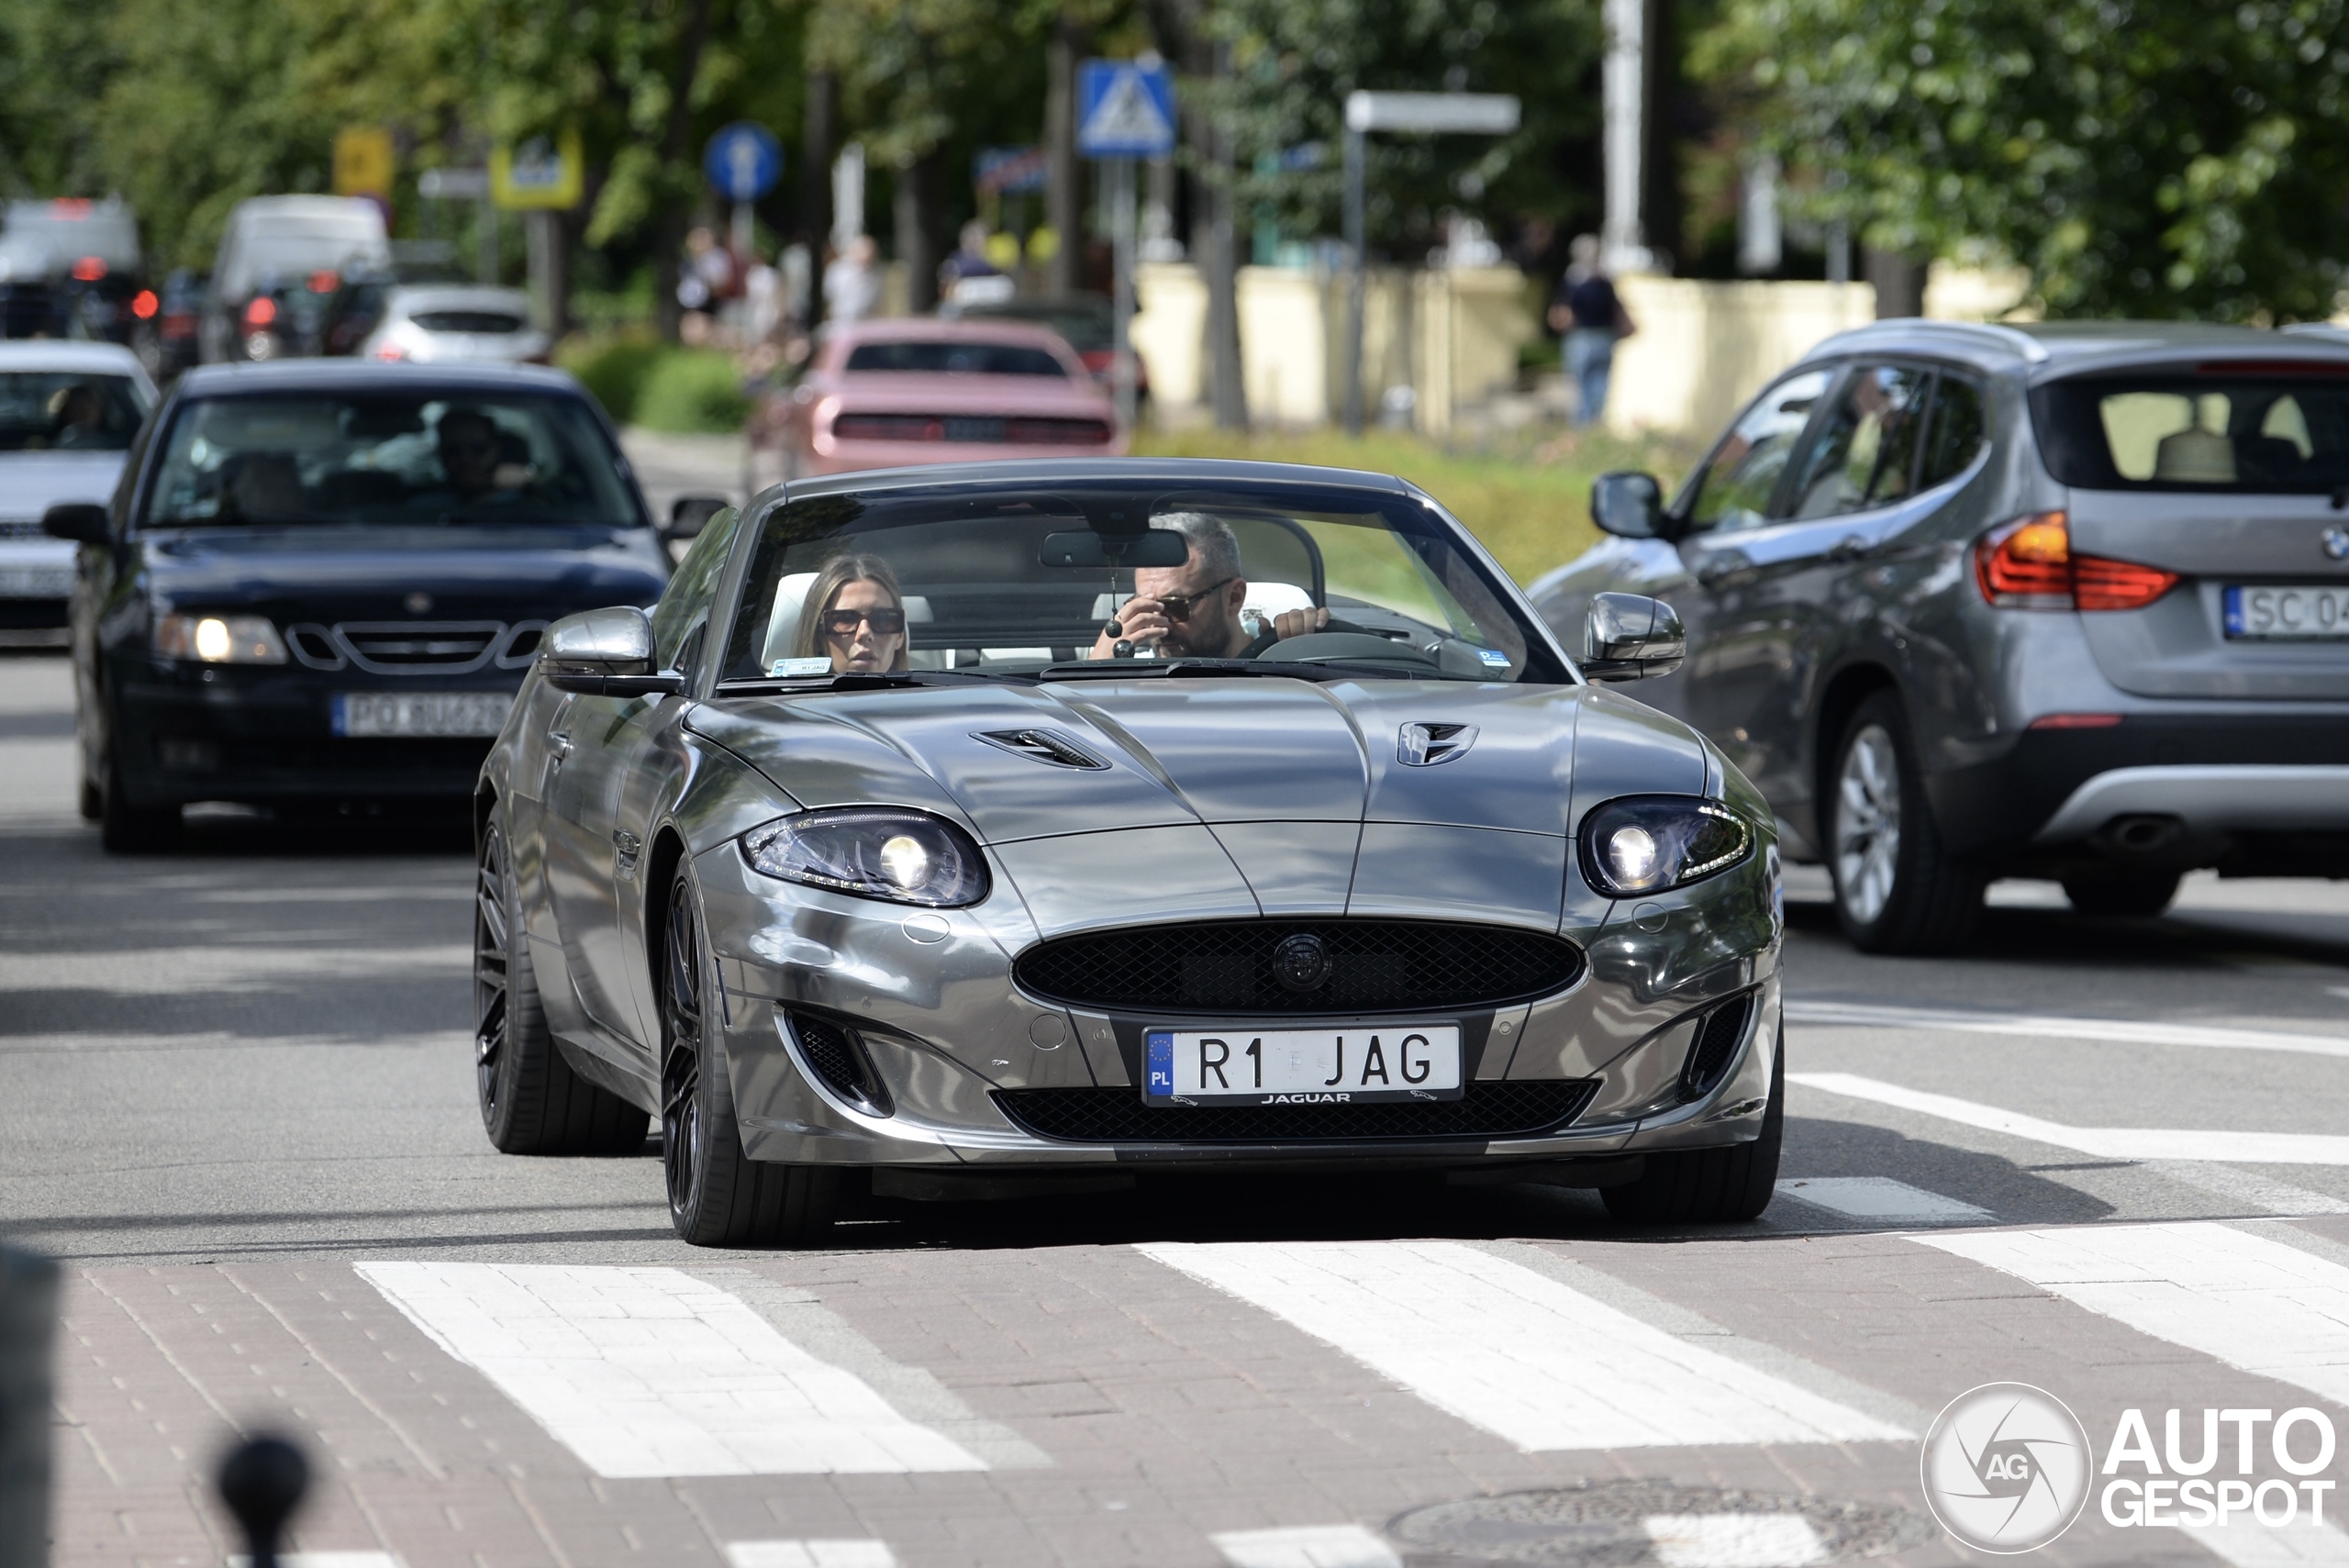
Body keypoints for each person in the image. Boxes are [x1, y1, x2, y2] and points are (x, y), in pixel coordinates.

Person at [1086, 512, 1332, 661]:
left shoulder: (1278, 656)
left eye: (1175, 606)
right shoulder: (1120, 678)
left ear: (1234, 598)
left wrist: (1311, 647)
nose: (1157, 626)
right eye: (1143, 608)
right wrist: (1095, 668)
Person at [1547, 234, 1632, 427]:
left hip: (1582, 337)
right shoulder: (1606, 281)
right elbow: (1616, 307)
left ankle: (1582, 428)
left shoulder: (1572, 281)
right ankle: (1594, 424)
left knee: (1580, 387)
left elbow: (1562, 313)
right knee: (1599, 386)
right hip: (1604, 337)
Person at [793, 554, 909, 673]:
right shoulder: (783, 693)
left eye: (881, 618)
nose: (864, 632)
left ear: (900, 636)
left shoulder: (927, 691)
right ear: (817, 635)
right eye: (845, 619)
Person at [223, 452, 306, 523]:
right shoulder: (218, 531)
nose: (278, 498)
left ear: (297, 495)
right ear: (248, 495)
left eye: (285, 490)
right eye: (268, 490)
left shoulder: (313, 529)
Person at [824, 235, 882, 325]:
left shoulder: (874, 273)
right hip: (842, 320)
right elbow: (830, 293)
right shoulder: (839, 271)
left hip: (865, 321)